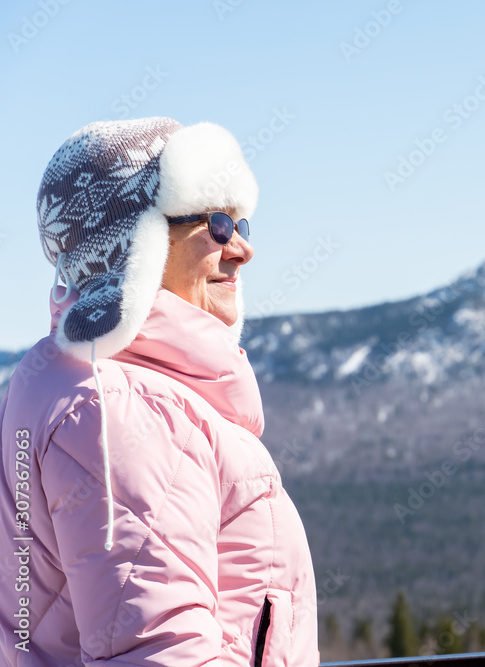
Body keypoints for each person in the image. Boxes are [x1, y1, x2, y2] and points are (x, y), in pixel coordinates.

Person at [0, 118, 318, 665]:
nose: (242, 248)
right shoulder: (119, 409)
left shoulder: (71, 383)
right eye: (217, 223)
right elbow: (160, 652)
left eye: (243, 222)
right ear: (134, 243)